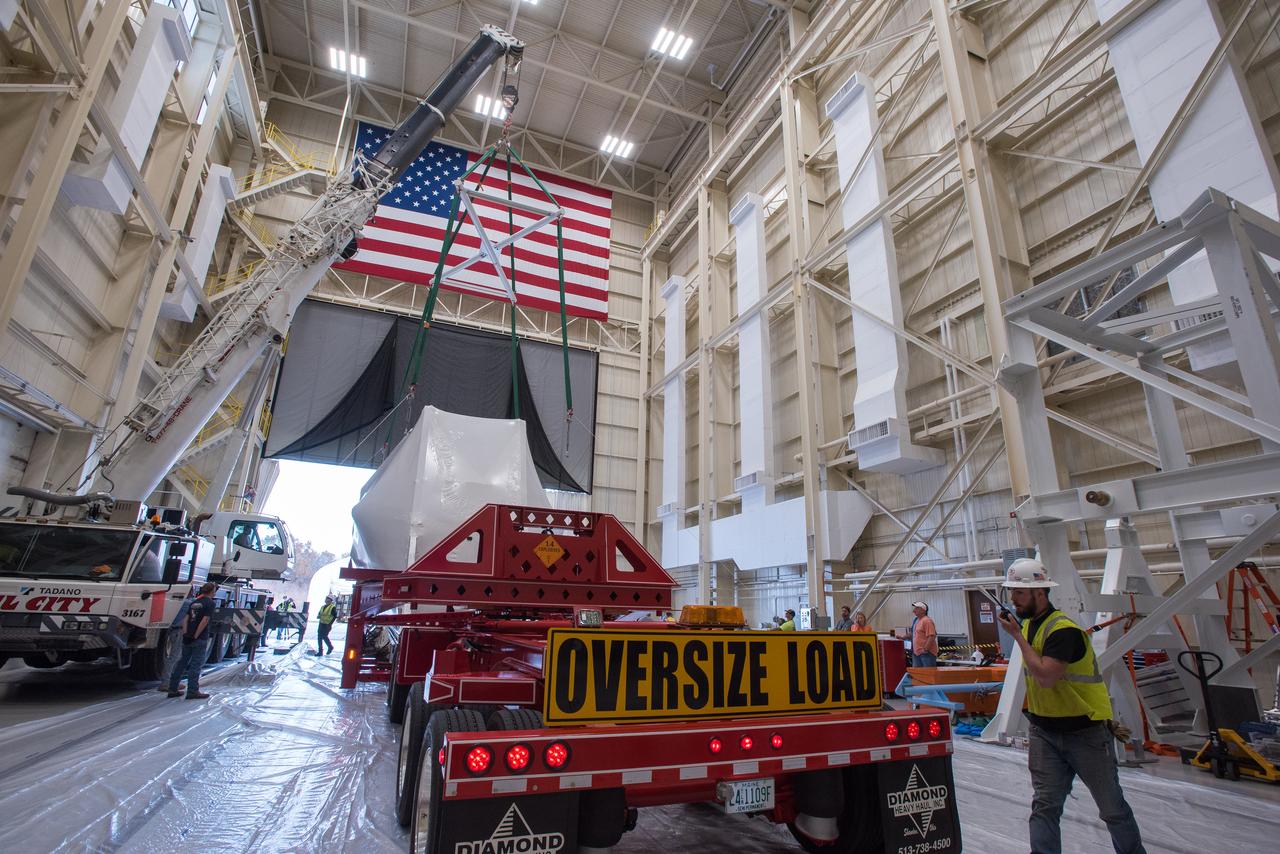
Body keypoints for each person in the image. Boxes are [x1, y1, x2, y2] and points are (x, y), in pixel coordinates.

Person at [996, 558, 1146, 854]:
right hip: (1044, 730)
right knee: (1044, 806)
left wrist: (1016, 636)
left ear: (1040, 593)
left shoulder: (1062, 630)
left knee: (1112, 808)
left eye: (1019, 592)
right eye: (1012, 592)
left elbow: (1046, 676)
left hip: (1085, 733)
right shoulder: (1031, 627)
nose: (1013, 599)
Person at [167, 582, 217, 700]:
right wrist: (196, 635)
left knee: (181, 663)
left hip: (187, 636)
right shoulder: (210, 603)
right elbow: (205, 620)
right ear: (212, 591)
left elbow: (186, 619)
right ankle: (192, 691)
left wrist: (186, 634)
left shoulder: (194, 602)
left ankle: (172, 688)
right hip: (199, 638)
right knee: (195, 665)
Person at [910, 601, 938, 667]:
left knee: (928, 672)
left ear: (923, 610)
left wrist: (925, 649)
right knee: (918, 672)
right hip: (916, 653)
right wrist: (903, 637)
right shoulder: (916, 620)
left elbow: (932, 636)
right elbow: (914, 634)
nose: (914, 610)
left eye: (916, 608)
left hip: (926, 653)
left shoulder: (927, 621)